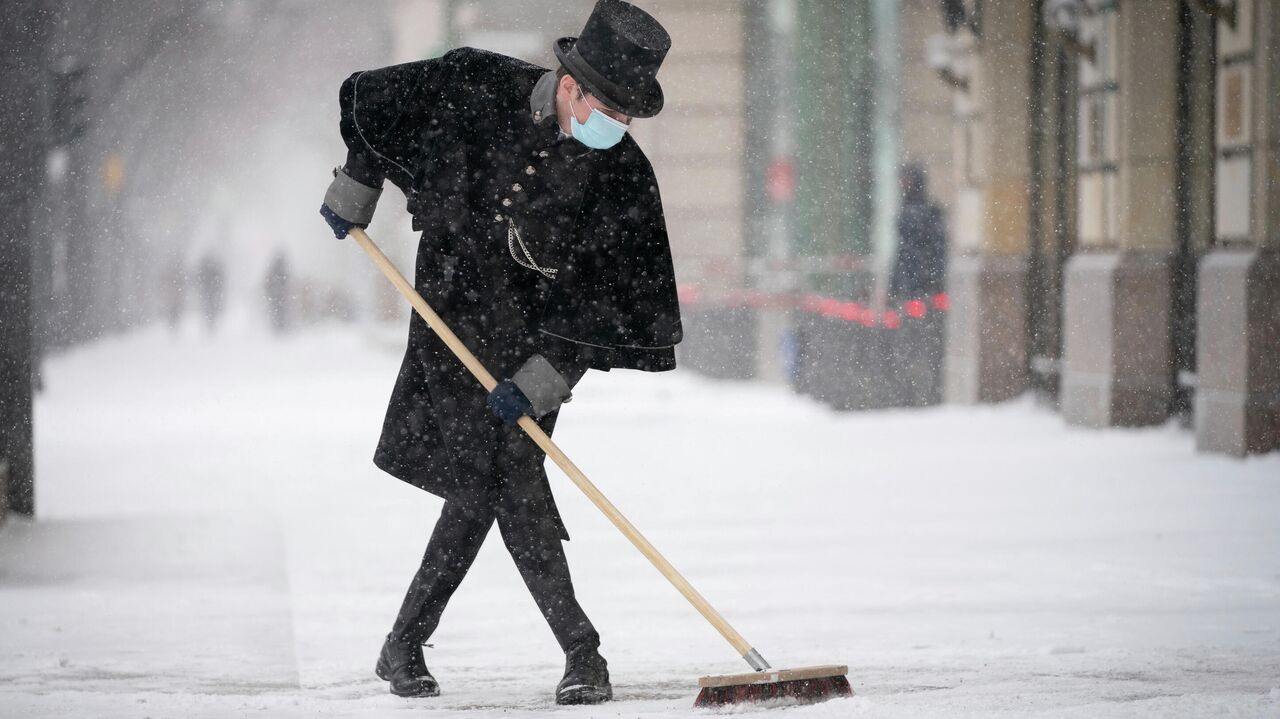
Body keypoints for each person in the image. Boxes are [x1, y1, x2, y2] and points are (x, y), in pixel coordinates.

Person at [318, 0, 681, 705]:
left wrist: (547, 376)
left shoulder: (621, 175)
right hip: (450, 313)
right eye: (612, 110)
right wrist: (355, 185)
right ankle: (581, 649)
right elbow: (377, 106)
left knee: (493, 479)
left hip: (531, 343)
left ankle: (404, 644)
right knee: (500, 480)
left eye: (629, 118)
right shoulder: (471, 85)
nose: (619, 128)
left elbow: (605, 299)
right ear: (572, 85)